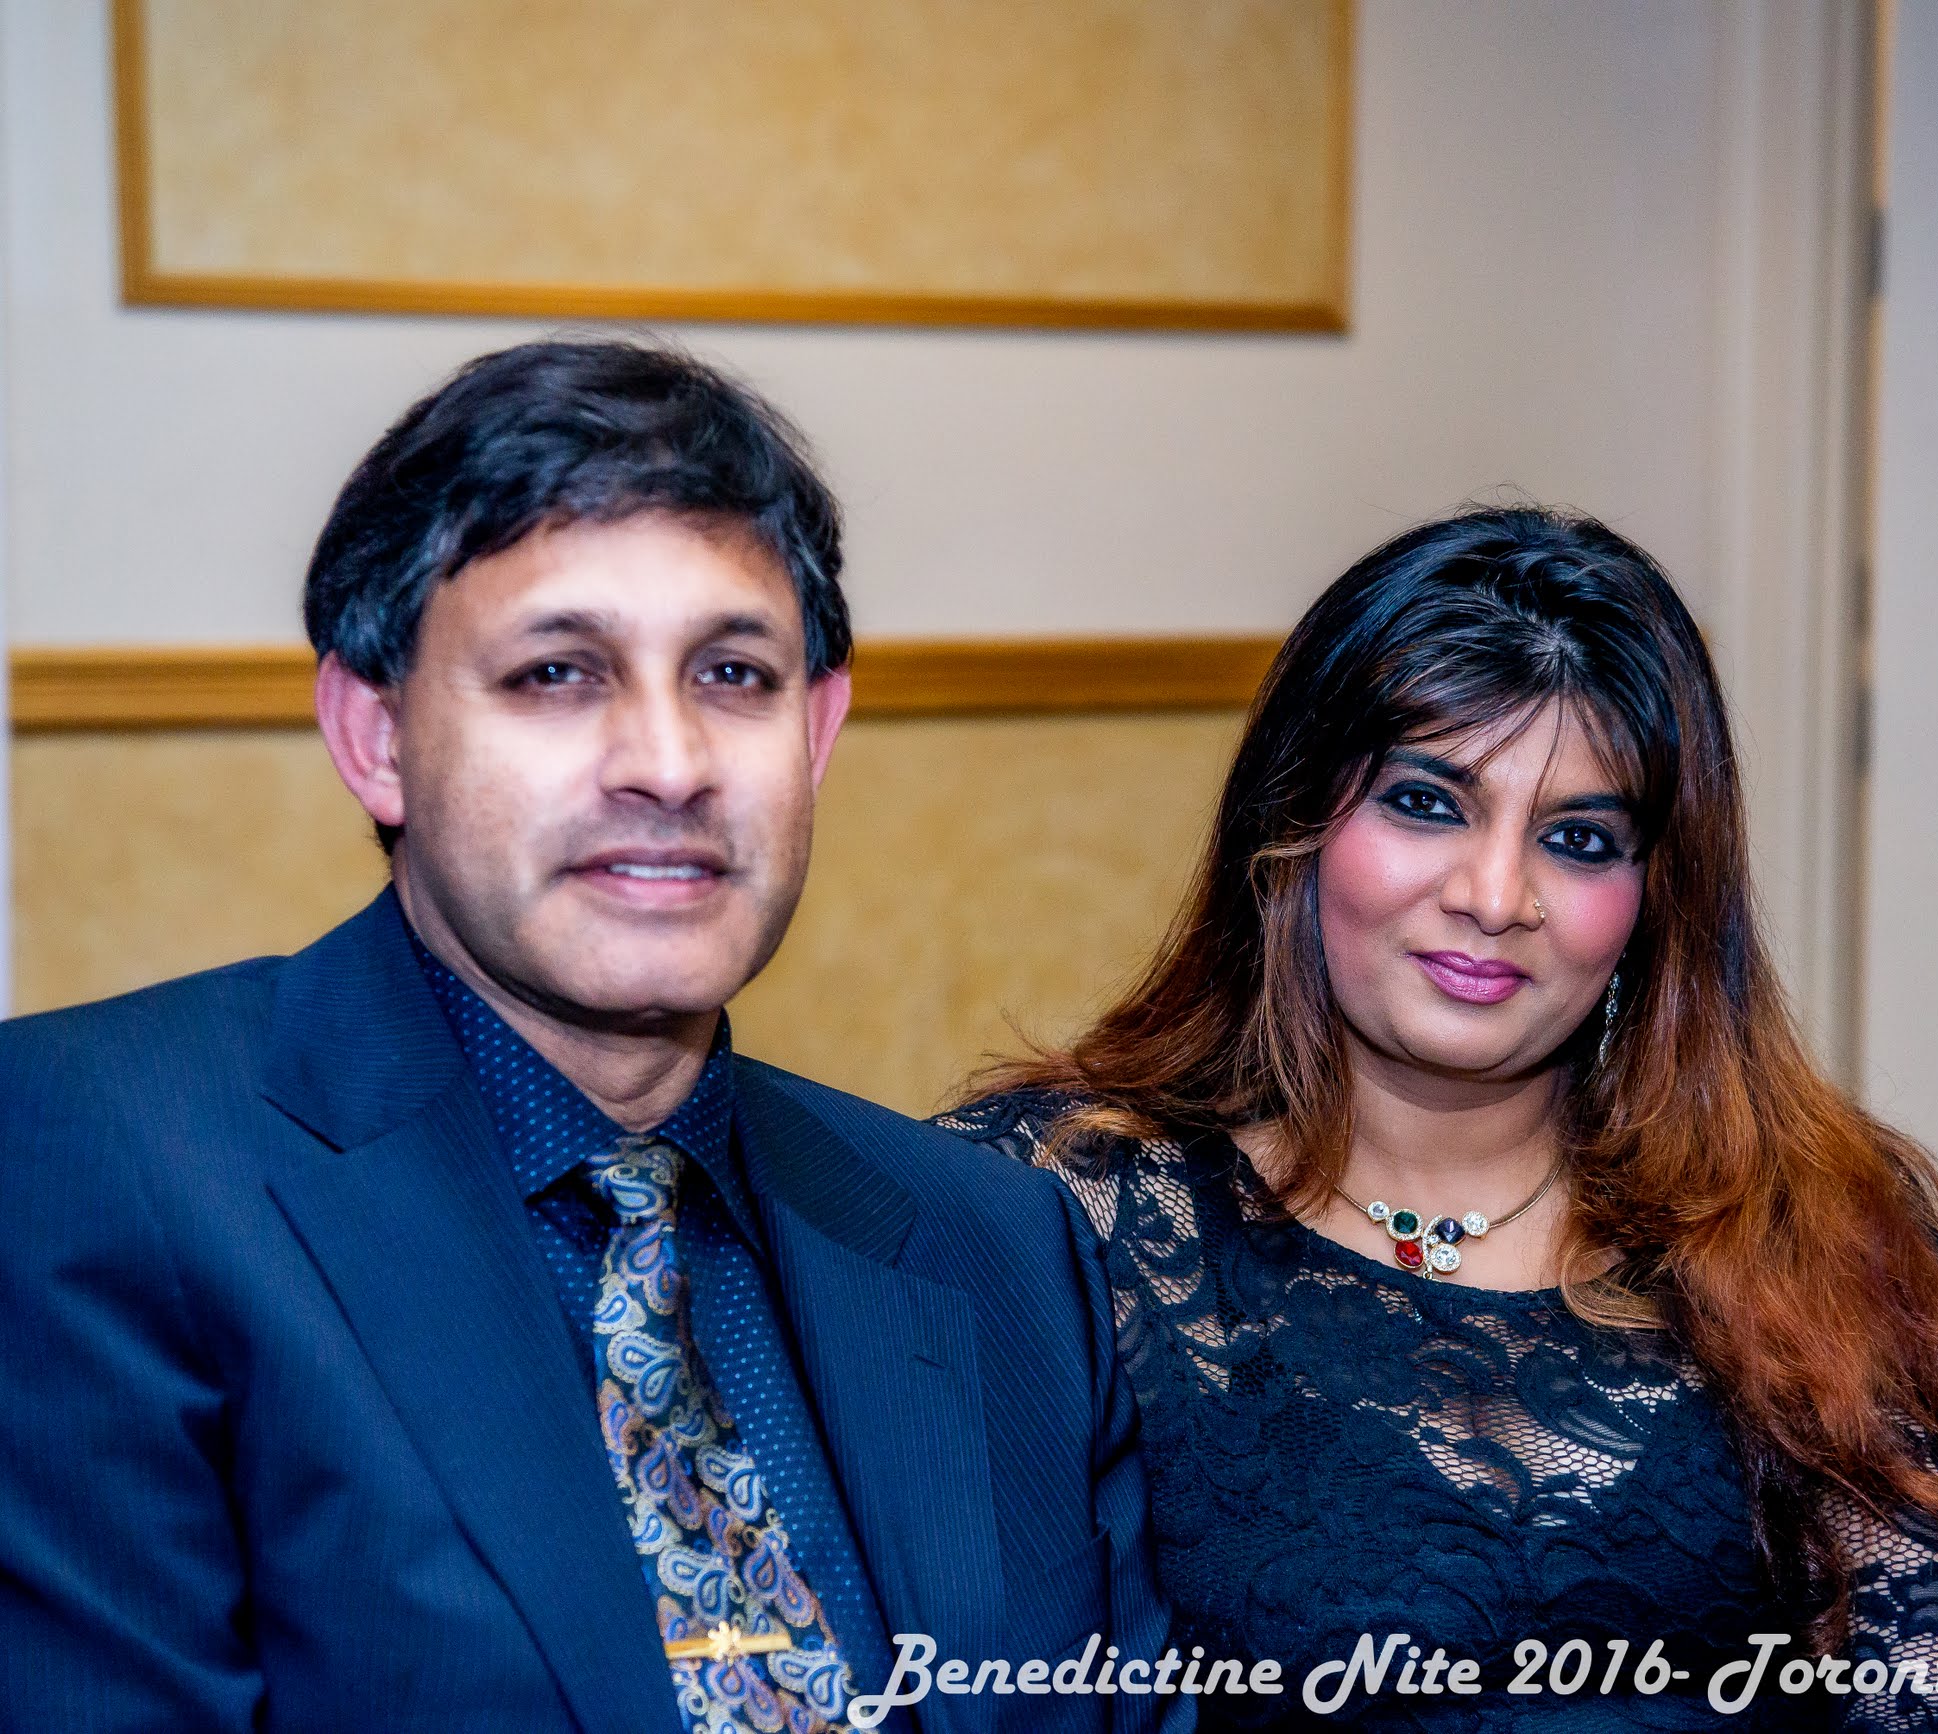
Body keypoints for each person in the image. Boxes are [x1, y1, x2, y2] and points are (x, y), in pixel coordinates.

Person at [0, 339, 1180, 1734]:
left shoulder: (997, 1245)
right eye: (558, 672)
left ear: (816, 733)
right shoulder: (93, 1157)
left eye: (732, 673)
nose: (669, 765)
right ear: (374, 735)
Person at [939, 506, 1938, 1729]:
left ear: (1656, 902)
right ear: (1293, 825)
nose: (1494, 895)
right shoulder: (1053, 1209)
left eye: (1577, 840)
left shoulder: (1808, 1226)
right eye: (1426, 803)